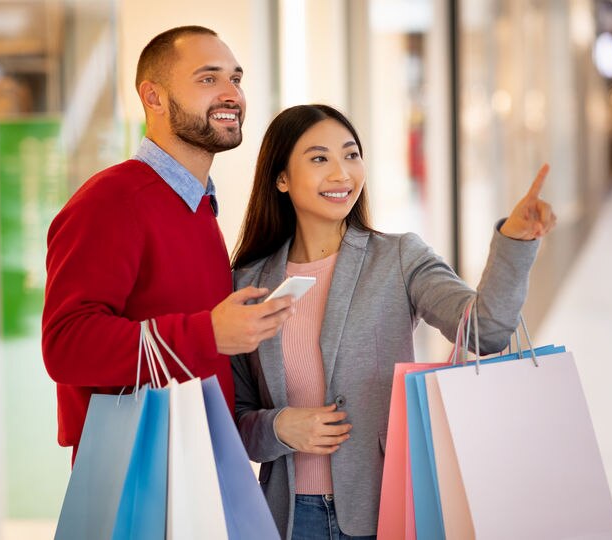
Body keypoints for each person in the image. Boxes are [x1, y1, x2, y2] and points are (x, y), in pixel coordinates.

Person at [230, 104, 556, 539]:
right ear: (281, 178)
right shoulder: (248, 283)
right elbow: (235, 419)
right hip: (287, 517)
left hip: (388, 507)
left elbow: (488, 331)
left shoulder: (399, 258)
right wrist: (279, 427)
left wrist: (514, 240)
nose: (341, 173)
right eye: (319, 158)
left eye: (351, 155)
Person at [42, 25, 293, 460]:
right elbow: (65, 345)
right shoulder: (111, 200)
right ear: (153, 97)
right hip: (139, 468)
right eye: (208, 78)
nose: (231, 93)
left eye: (235, 78)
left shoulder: (197, 204)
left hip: (198, 459)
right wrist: (208, 333)